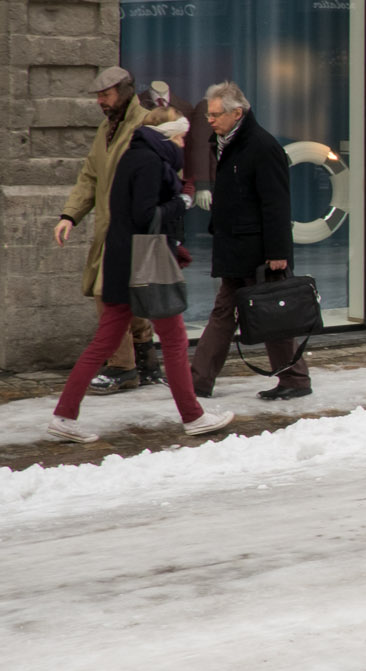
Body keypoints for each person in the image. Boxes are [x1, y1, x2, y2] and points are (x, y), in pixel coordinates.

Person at [47, 108, 235, 443]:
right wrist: (182, 200)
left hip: (123, 262)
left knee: (103, 342)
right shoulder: (150, 162)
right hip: (145, 263)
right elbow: (145, 214)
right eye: (179, 136)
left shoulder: (134, 155)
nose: (182, 143)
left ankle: (64, 415)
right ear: (166, 135)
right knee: (175, 340)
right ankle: (193, 416)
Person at [188, 82, 312, 401]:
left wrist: (278, 252)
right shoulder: (226, 143)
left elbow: (276, 203)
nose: (210, 120)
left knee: (272, 315)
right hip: (235, 248)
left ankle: (295, 380)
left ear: (237, 113)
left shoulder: (261, 145)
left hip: (257, 251)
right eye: (209, 115)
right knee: (226, 314)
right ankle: (198, 381)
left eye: (216, 115)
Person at [54, 66, 159, 394]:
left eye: (106, 94)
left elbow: (164, 177)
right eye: (98, 95)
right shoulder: (106, 129)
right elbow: (90, 176)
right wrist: (70, 215)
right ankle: (146, 360)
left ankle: (122, 367)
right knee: (131, 296)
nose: (101, 101)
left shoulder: (146, 125)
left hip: (136, 230)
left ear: (125, 91)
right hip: (110, 230)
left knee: (109, 296)